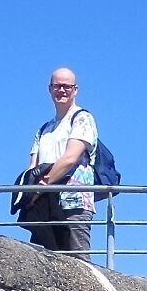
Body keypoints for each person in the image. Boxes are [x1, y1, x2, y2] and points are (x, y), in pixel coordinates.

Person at [22, 67, 98, 255]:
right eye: (57, 86)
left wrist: (42, 186)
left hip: (73, 201)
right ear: (50, 89)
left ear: (75, 90)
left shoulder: (83, 119)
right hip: (46, 203)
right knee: (46, 261)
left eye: (66, 86)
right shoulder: (44, 129)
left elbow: (70, 158)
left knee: (78, 261)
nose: (61, 90)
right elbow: (33, 166)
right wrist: (31, 192)